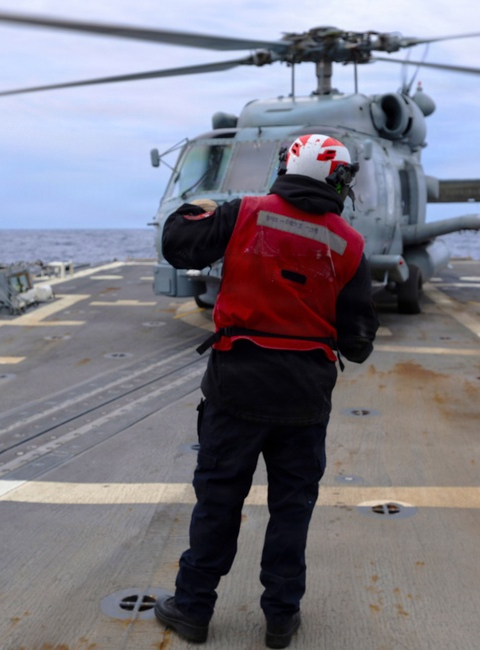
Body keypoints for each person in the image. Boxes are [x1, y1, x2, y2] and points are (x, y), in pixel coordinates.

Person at [156, 133, 379, 648]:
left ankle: (193, 608)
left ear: (287, 167)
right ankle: (281, 617)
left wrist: (196, 207)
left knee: (218, 501)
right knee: (292, 508)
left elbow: (178, 245)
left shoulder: (245, 213)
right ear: (341, 181)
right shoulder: (349, 243)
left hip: (236, 388)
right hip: (304, 396)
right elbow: (359, 343)